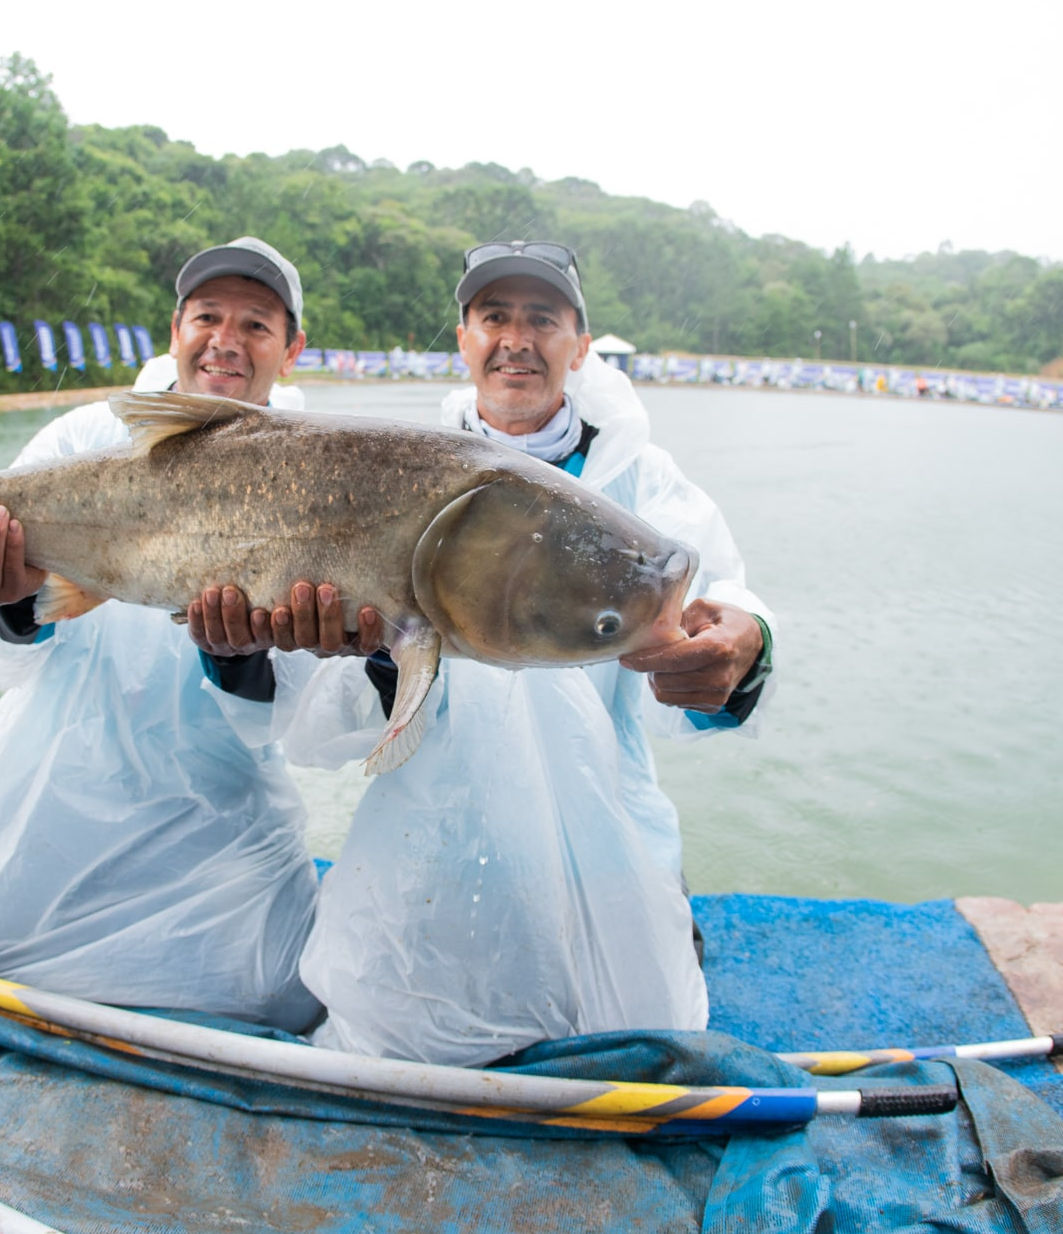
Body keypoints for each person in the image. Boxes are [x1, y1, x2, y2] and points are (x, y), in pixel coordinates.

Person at [274, 241, 776, 1065]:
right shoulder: (386, 476)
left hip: (604, 859)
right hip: (426, 868)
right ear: (463, 339)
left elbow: (727, 605)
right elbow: (315, 735)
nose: (517, 337)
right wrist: (377, 653)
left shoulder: (644, 487)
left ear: (580, 345)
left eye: (543, 318)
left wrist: (745, 648)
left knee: (625, 1046)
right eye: (494, 316)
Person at [0, 237, 343, 1033]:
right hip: (58, 780)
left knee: (279, 991)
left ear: (293, 348)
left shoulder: (322, 473)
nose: (226, 341)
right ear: (174, 328)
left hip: (222, 806)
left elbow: (307, 714)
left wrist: (237, 660)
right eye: (208, 316)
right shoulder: (83, 441)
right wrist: (9, 599)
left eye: (256, 325)